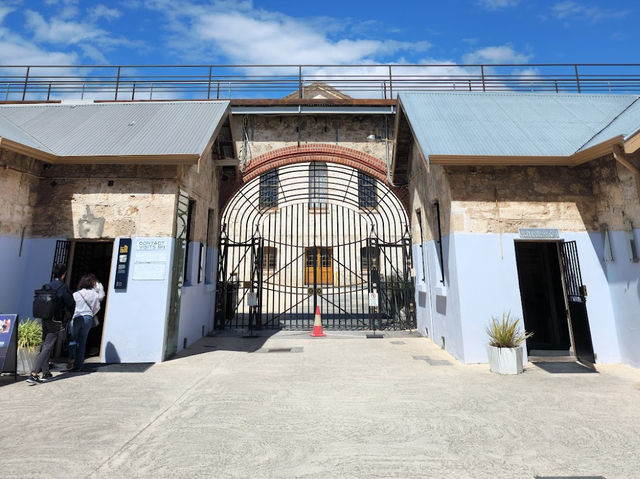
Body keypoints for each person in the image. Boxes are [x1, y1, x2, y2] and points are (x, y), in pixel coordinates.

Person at [27, 263, 75, 384]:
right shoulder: (62, 288)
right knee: (48, 346)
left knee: (45, 345)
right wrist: (67, 318)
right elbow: (70, 303)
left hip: (45, 318)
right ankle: (34, 373)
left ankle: (46, 372)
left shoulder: (47, 285)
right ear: (64, 274)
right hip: (55, 320)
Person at [68, 274, 105, 371]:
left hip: (77, 316)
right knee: (82, 342)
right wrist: (91, 313)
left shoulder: (76, 294)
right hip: (88, 317)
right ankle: (78, 365)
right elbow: (97, 308)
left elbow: (71, 306)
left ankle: (72, 356)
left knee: (73, 339)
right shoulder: (95, 295)